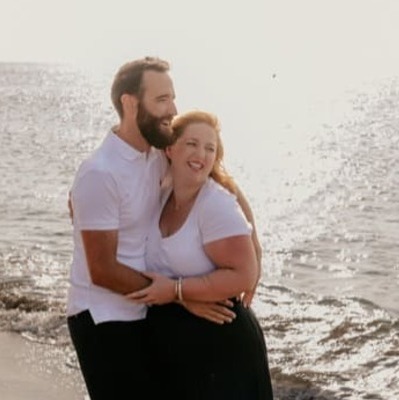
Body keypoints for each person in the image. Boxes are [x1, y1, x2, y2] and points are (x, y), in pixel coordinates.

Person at [67, 57, 258, 399]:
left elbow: (219, 181)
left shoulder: (157, 156)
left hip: (144, 312)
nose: (173, 109)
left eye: (172, 97)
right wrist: (181, 297)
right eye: (162, 100)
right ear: (130, 103)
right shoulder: (100, 172)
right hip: (103, 316)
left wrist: (253, 246)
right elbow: (103, 270)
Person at [128, 110, 274, 399]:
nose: (201, 154)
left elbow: (245, 276)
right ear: (170, 149)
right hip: (178, 347)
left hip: (221, 344)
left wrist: (177, 291)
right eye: (192, 144)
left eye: (210, 148)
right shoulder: (162, 190)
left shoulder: (215, 205)